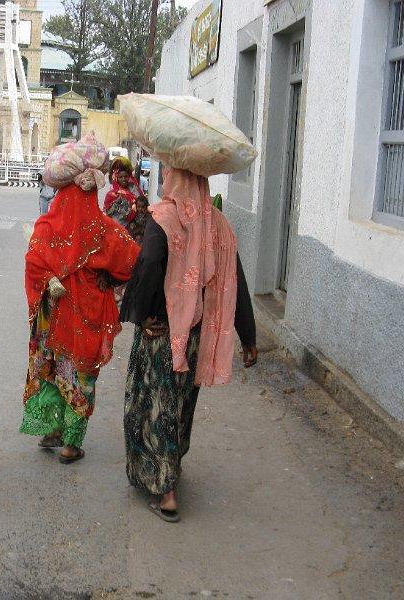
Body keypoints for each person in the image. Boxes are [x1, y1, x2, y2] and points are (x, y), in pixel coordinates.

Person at [119, 167, 258, 523]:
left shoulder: (164, 217)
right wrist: (249, 337)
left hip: (161, 334)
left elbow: (149, 262)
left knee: (154, 405)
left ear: (175, 179)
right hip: (195, 337)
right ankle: (172, 468)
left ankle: (165, 491)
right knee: (180, 404)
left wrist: (145, 313)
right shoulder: (218, 225)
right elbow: (234, 281)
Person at [20, 138, 141, 464]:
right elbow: (134, 262)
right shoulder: (106, 230)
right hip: (89, 314)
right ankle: (71, 443)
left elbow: (33, 263)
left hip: (55, 317)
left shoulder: (47, 225)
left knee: (57, 370)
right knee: (81, 376)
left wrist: (49, 280)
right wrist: (112, 279)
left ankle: (54, 429)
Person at [103, 156, 143, 230]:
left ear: (129, 176)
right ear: (116, 178)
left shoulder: (134, 190)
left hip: (134, 229)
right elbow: (109, 213)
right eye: (120, 177)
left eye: (126, 176)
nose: (123, 179)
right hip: (117, 229)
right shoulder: (112, 194)